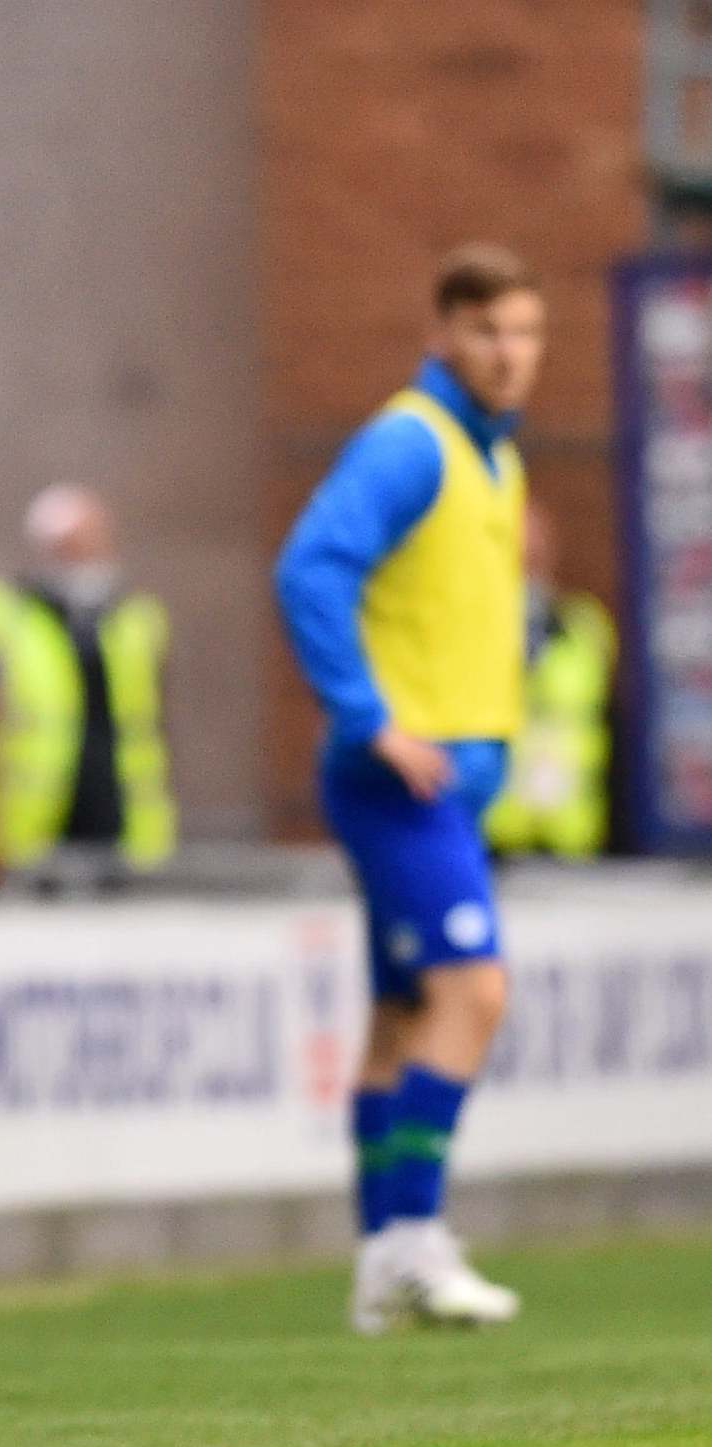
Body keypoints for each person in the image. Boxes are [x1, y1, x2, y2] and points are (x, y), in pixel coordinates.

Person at [274, 243, 542, 1336]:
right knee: (472, 992)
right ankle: (419, 1241)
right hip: (401, 782)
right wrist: (369, 715)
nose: (508, 354)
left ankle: (383, 1254)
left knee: (396, 1014)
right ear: (442, 334)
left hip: (445, 782)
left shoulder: (493, 456)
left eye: (524, 334)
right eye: (486, 332)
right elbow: (310, 566)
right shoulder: (412, 443)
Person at [0, 484, 175, 888]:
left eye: (84, 541)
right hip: (38, 813)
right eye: (63, 545)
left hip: (119, 804)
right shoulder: (9, 612)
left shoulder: (134, 616)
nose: (75, 555)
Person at [482, 503, 616, 859]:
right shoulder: (474, 630)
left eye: (535, 545)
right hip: (496, 834)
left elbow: (610, 725)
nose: (527, 554)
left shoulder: (583, 626)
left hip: (573, 837)